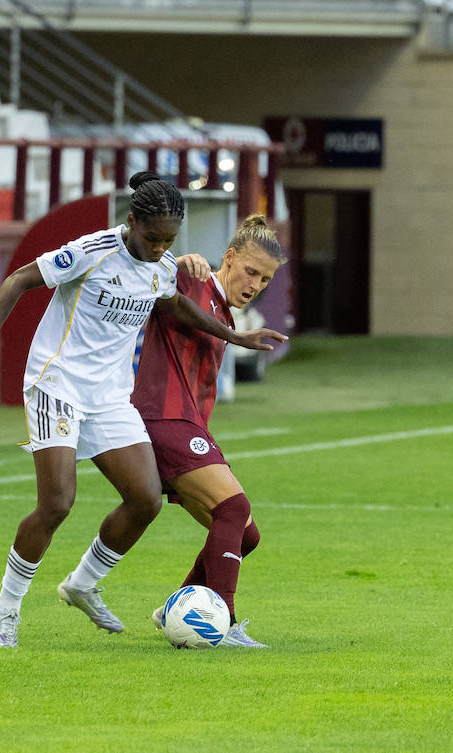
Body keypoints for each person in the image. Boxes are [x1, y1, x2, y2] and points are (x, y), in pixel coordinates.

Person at [0, 171, 287, 648]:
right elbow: (21, 279)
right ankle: (7, 605)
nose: (158, 248)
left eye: (168, 240)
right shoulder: (93, 250)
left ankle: (82, 583)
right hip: (56, 384)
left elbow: (175, 307)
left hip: (109, 397)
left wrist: (235, 335)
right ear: (131, 222)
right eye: (151, 238)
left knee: (145, 499)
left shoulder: (161, 266)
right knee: (58, 502)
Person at [132, 214, 285, 649]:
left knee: (245, 533)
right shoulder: (195, 283)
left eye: (265, 280)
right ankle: (225, 621)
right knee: (234, 508)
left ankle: (173, 609)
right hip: (163, 420)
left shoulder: (225, 315)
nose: (255, 284)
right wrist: (180, 261)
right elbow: (149, 274)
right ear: (229, 257)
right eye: (250, 271)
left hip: (186, 425)